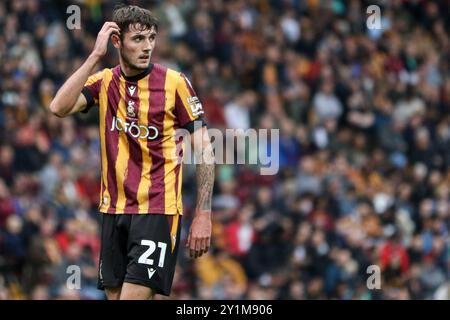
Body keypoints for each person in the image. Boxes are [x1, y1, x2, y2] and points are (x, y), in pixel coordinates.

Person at [48, 4, 215, 300]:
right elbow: (58, 107)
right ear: (117, 41)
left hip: (157, 209)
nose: (147, 46)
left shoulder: (174, 82)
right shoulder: (104, 82)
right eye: (138, 39)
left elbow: (204, 149)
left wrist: (203, 213)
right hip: (113, 210)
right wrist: (94, 56)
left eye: (151, 38)